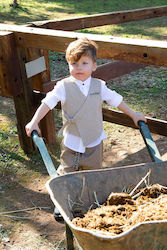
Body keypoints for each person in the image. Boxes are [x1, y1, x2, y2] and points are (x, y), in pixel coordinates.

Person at [25, 37, 146, 218]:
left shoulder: (99, 86)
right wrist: (34, 121)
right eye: (74, 63)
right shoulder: (63, 87)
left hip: (94, 142)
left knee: (92, 175)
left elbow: (116, 100)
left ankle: (89, 203)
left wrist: (134, 115)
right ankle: (63, 201)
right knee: (66, 174)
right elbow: (47, 103)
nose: (79, 67)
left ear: (94, 66)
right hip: (72, 142)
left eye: (84, 63)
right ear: (68, 65)